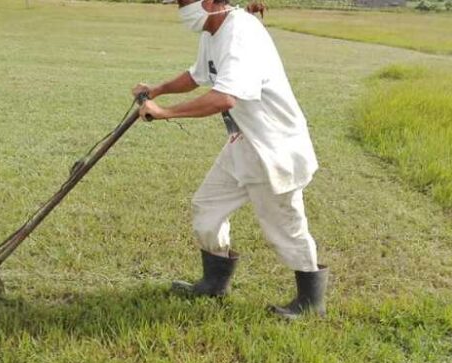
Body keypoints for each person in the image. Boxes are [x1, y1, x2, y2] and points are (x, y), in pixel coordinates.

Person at [132, 0, 328, 320]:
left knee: (285, 228)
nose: (181, 9)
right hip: (243, 143)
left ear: (209, 1)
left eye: (185, 2)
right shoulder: (213, 30)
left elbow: (224, 97)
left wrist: (165, 113)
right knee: (206, 208)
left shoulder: (240, 34)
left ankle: (311, 302)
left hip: (273, 147)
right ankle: (214, 284)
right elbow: (199, 75)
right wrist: (158, 90)